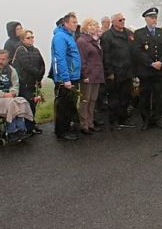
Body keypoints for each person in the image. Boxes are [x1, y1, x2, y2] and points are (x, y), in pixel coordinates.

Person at [0, 50, 33, 143]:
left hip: (9, 97)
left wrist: (13, 93)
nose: (0, 61)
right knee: (12, 103)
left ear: (8, 60)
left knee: (22, 101)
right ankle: (11, 132)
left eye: (3, 59)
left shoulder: (12, 70)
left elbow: (15, 85)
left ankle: (21, 130)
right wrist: (3, 95)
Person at [133, 7, 162, 130]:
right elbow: (138, 51)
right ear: (146, 19)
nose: (154, 20)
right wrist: (151, 63)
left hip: (159, 70)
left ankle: (156, 119)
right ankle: (146, 120)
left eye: (155, 18)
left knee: (159, 96)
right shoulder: (139, 33)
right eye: (152, 18)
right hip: (146, 71)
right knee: (145, 97)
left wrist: (161, 62)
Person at [100, 13, 137, 130]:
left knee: (126, 97)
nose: (123, 21)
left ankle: (123, 118)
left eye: (124, 19)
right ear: (113, 22)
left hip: (128, 71)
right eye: (120, 20)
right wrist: (109, 72)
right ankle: (114, 121)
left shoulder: (128, 33)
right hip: (115, 72)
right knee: (114, 98)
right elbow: (106, 56)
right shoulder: (107, 36)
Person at [51, 12, 82, 141]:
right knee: (63, 106)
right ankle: (61, 132)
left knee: (70, 104)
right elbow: (60, 58)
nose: (76, 24)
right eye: (73, 22)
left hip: (73, 74)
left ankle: (67, 127)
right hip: (66, 77)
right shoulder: (60, 37)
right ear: (66, 23)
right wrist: (65, 78)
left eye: (76, 22)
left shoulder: (69, 36)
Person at [12, 29, 46, 135]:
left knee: (33, 104)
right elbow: (26, 66)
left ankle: (31, 125)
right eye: (28, 37)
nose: (31, 39)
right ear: (22, 39)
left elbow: (42, 63)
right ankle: (28, 127)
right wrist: (37, 73)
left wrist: (40, 74)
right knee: (28, 105)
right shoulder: (21, 50)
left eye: (32, 37)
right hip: (25, 83)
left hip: (34, 82)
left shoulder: (36, 50)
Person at [76, 18, 104, 134]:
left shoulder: (95, 40)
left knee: (93, 100)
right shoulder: (82, 41)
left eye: (96, 25)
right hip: (88, 75)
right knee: (85, 100)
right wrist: (84, 74)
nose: (96, 27)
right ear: (86, 27)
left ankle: (91, 122)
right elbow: (82, 59)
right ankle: (84, 124)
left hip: (97, 74)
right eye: (93, 25)